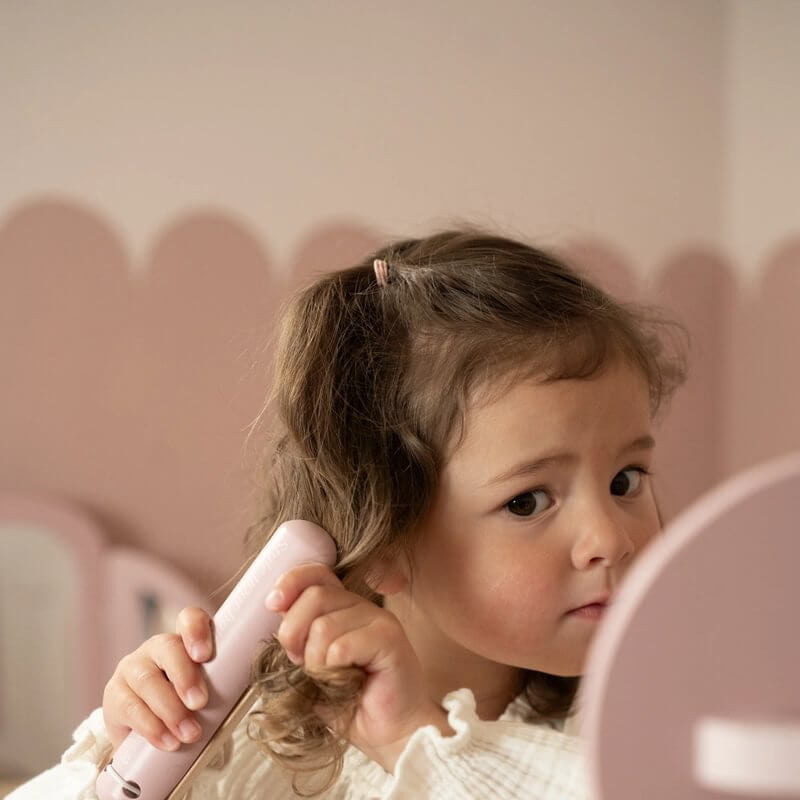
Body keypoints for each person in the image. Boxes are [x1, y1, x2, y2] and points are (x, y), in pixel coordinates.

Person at [10, 229, 686, 799]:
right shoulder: (275, 739)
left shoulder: (650, 721)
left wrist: (418, 742)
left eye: (626, 478)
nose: (610, 538)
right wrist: (124, 760)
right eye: (528, 501)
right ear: (386, 533)